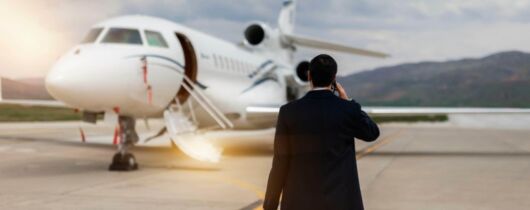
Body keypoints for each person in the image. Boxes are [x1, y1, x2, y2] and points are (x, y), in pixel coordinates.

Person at [263, 54, 380, 210]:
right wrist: (348, 102)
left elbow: (280, 162)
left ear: (309, 76)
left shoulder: (288, 112)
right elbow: (372, 133)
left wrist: (270, 204)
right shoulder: (348, 109)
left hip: (299, 203)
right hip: (341, 203)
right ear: (334, 78)